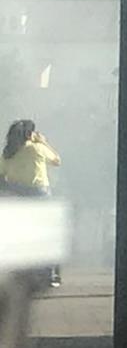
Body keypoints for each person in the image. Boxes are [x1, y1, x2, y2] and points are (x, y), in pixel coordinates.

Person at [1, 119, 63, 286]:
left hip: (17, 195)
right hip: (39, 194)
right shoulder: (37, 148)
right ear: (30, 134)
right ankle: (50, 274)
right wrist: (43, 141)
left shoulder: (8, 153)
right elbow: (57, 160)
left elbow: (1, 175)